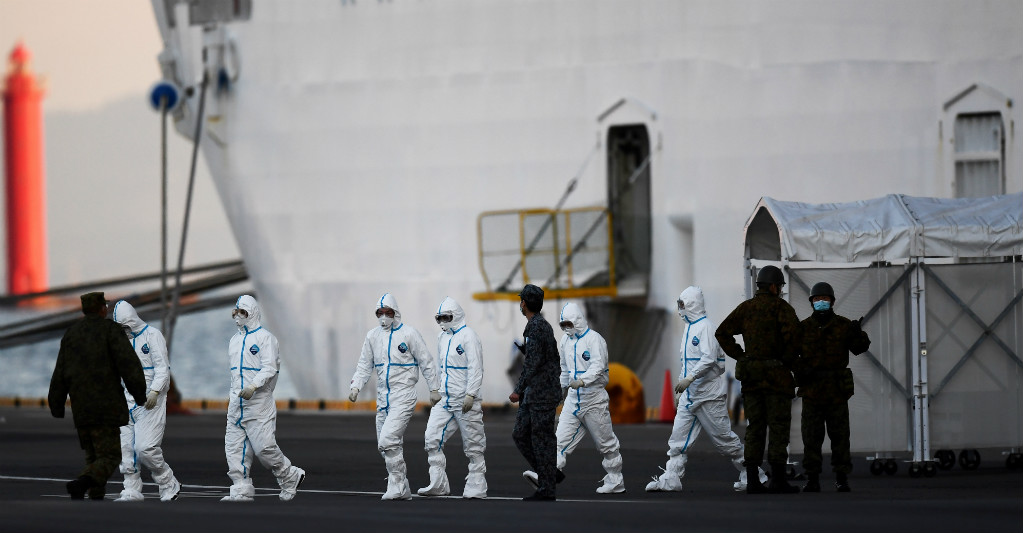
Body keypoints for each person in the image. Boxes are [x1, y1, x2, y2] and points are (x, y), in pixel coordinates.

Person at [646, 287, 768, 492]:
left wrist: (690, 378)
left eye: (683, 304)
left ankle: (754, 474)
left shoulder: (706, 329)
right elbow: (686, 363)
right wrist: (682, 388)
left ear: (692, 305)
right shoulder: (689, 329)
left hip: (708, 395)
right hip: (691, 395)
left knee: (724, 441)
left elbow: (709, 360)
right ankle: (671, 478)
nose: (680, 309)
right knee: (678, 439)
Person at [48, 292, 148, 501]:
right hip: (106, 406)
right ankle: (82, 483)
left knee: (93, 454)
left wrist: (56, 404)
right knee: (110, 455)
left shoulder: (71, 334)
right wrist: (139, 394)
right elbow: (129, 365)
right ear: (102, 309)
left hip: (81, 406)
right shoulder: (110, 331)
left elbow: (60, 372)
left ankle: (95, 495)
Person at [715, 266, 802, 494]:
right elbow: (794, 339)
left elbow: (722, 332)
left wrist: (741, 355)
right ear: (773, 286)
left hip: (752, 378)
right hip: (777, 379)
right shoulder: (782, 309)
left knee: (755, 428)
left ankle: (753, 480)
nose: (780, 290)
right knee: (778, 427)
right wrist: (788, 362)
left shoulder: (746, 308)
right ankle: (778, 480)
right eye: (780, 286)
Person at [349, 293, 441, 500]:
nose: (383, 317)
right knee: (386, 445)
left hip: (404, 395)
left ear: (395, 313)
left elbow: (426, 361)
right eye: (380, 313)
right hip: (383, 398)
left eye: (387, 312)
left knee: (388, 439)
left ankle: (398, 485)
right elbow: (365, 364)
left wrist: (434, 388)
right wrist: (356, 386)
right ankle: (400, 485)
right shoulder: (373, 336)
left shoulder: (409, 334)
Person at [221, 295, 306, 502]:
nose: (237, 317)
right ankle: (241, 487)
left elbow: (270, 368)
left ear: (251, 314)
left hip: (258, 403)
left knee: (264, 448)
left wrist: (253, 386)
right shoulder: (234, 341)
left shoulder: (266, 338)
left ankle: (289, 475)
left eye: (242, 313)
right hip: (236, 403)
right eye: (235, 312)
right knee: (234, 447)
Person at [797, 282, 870, 493]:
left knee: (840, 437)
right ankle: (812, 478)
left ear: (832, 301)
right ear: (811, 302)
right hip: (812, 390)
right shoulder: (803, 328)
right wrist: (801, 371)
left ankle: (841, 477)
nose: (821, 302)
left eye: (825, 299)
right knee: (811, 437)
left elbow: (860, 348)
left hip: (836, 391)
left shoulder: (843, 326)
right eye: (817, 299)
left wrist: (858, 333)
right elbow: (791, 354)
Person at [110, 300, 182, 502]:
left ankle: (168, 482)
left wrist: (155, 391)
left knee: (145, 448)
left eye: (124, 326)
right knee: (126, 448)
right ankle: (131, 488)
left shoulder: (152, 336)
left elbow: (162, 369)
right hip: (127, 400)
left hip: (150, 401)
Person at [417, 297, 488, 498]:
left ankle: (477, 484)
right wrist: (436, 390)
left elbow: (476, 368)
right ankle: (437, 482)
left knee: (473, 443)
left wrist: (471, 394)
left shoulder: (469, 337)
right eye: (439, 318)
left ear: (455, 316)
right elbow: (441, 367)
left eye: (446, 317)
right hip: (445, 399)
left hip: (465, 400)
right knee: (431, 438)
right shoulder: (442, 338)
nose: (442, 322)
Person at [509, 284, 562, 501]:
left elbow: (531, 364)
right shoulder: (536, 326)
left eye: (522, 301)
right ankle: (550, 473)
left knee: (542, 439)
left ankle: (547, 487)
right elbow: (538, 357)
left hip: (542, 393)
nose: (520, 304)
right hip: (535, 393)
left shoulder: (537, 327)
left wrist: (517, 390)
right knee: (520, 434)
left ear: (525, 303)